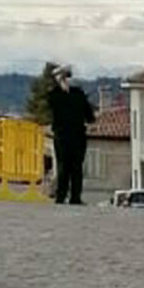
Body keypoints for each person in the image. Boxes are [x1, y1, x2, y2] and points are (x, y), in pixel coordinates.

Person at [47, 63, 95, 204]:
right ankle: (75, 197)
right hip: (78, 135)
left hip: (62, 135)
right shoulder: (79, 95)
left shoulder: (54, 95)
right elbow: (90, 117)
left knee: (63, 165)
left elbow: (49, 104)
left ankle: (61, 196)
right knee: (76, 168)